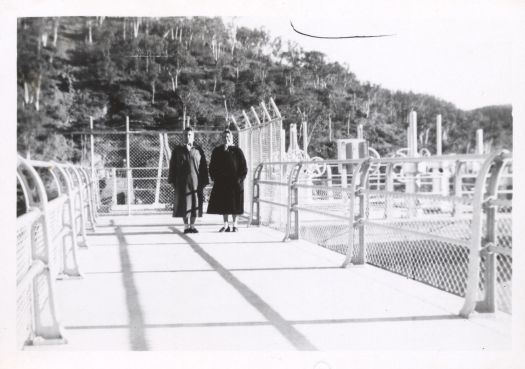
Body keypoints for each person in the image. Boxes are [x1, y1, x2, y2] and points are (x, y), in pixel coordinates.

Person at [168, 126, 209, 234]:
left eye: (189, 135)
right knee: (184, 204)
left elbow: (203, 167)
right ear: (183, 136)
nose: (187, 136)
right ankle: (186, 226)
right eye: (185, 135)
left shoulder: (198, 150)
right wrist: (172, 181)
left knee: (195, 204)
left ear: (193, 136)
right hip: (182, 182)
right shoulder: (177, 150)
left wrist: (204, 181)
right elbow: (172, 166)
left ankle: (193, 226)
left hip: (196, 182)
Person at [207, 129, 247, 232]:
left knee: (235, 204)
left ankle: (234, 225)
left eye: (228, 137)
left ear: (231, 138)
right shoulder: (217, 151)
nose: (226, 138)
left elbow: (243, 167)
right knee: (224, 204)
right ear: (222, 138)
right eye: (224, 137)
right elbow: (212, 166)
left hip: (235, 183)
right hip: (222, 183)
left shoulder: (237, 151)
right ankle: (225, 225)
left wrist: (240, 179)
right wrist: (214, 178)